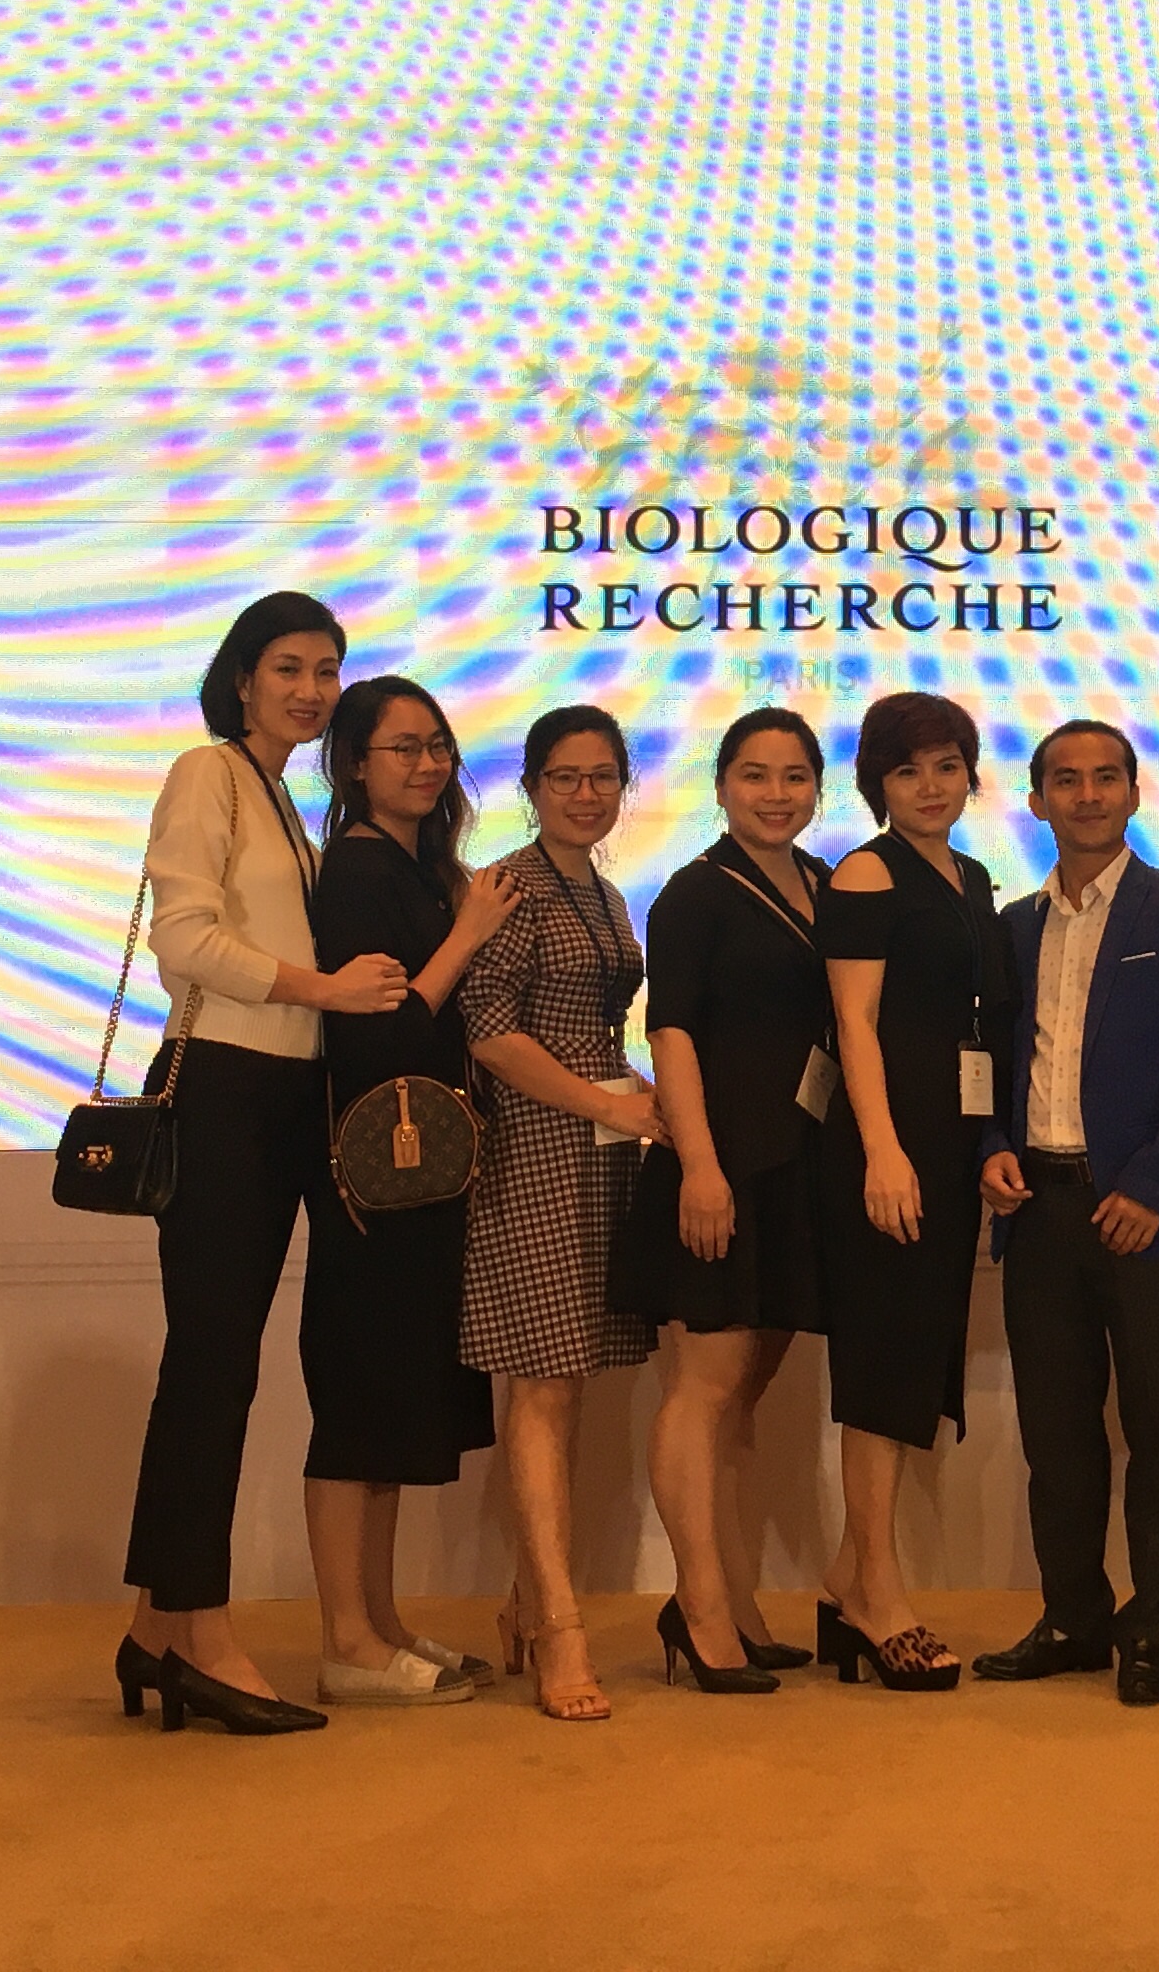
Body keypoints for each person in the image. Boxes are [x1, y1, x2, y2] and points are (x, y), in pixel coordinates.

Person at [118, 591, 387, 1738]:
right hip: (222, 1090)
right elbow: (181, 939)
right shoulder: (209, 774)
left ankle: (153, 1629)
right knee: (213, 1367)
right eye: (288, 668)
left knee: (218, 1365)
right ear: (241, 679)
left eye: (327, 670)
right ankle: (202, 1635)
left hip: (278, 1098)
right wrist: (322, 988)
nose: (311, 690)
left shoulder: (282, 796)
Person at [970, 721, 1159, 1706]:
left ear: (1132, 792)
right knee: (1057, 1433)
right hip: (1040, 1208)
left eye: (1106, 777)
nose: (1087, 795)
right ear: (1037, 800)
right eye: (1067, 780)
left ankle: (1155, 1631)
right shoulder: (1014, 926)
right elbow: (989, 1062)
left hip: (1149, 1215)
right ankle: (1073, 1616)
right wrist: (991, 1148)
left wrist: (1152, 1188)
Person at [299, 673, 520, 1708]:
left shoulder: (418, 869)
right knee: (357, 1408)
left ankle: (378, 1626)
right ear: (354, 765)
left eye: (438, 746)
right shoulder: (355, 871)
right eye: (403, 748)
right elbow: (379, 1033)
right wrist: (467, 934)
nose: (428, 764)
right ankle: (345, 1638)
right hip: (372, 1180)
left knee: (390, 1407)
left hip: (421, 1175)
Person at [624, 707, 834, 1691]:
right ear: (720, 787)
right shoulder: (694, 893)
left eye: (795, 777)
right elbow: (671, 1033)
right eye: (755, 775)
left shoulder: (829, 885)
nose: (775, 794)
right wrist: (700, 1168)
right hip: (719, 1168)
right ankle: (700, 1610)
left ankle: (736, 1603)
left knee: (741, 1395)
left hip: (798, 1170)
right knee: (703, 1391)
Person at [460, 704, 662, 1721]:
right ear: (531, 786)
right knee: (543, 1385)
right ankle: (560, 1627)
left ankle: (523, 1604)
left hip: (601, 1146)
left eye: (602, 777)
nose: (586, 795)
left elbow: (595, 1028)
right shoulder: (508, 885)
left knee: (569, 1385)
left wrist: (641, 1098)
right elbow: (490, 1033)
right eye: (565, 777)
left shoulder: (605, 890)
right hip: (533, 1149)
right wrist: (605, 1101)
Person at [812, 689, 1005, 1692]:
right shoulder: (866, 872)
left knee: (917, 1361)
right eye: (906, 770)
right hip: (886, 1151)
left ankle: (846, 1582)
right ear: (876, 784)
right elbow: (854, 1024)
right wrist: (882, 1153)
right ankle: (879, 1595)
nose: (930, 786)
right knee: (883, 1367)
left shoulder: (971, 877)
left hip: (951, 1146)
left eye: (946, 766)